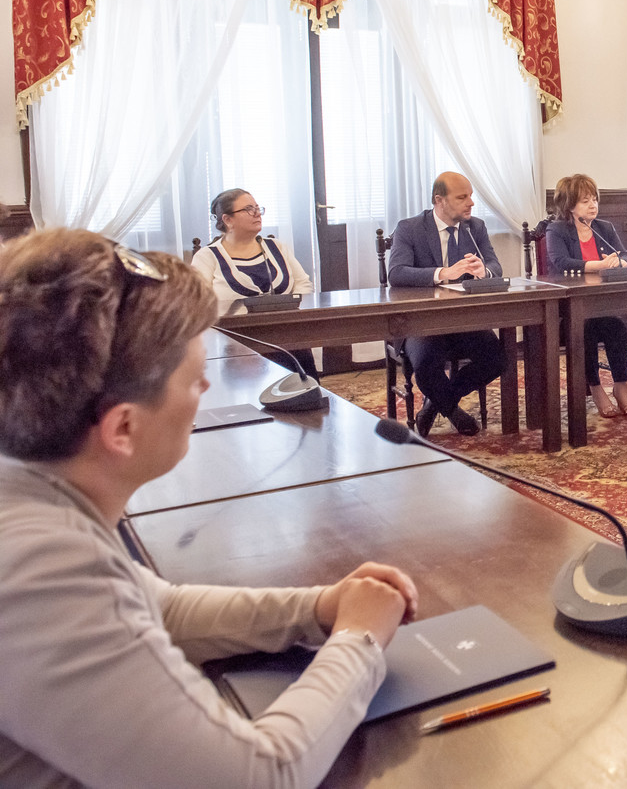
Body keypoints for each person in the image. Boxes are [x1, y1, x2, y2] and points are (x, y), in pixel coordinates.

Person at [0, 228, 417, 789]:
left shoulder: (28, 493)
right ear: (123, 428)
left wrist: (319, 607)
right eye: (193, 379)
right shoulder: (45, 571)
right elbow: (260, 776)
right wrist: (359, 641)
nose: (204, 385)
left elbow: (161, 609)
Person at [388, 172, 504, 435]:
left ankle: (435, 405)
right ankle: (452, 411)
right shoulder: (409, 228)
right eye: (462, 197)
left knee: (496, 358)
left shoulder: (475, 228)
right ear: (439, 200)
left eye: (471, 196)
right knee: (426, 364)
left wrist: (484, 271)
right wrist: (443, 273)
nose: (471, 203)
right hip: (421, 322)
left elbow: (495, 266)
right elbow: (396, 273)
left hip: (464, 320)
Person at [190, 187, 318, 377]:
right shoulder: (207, 256)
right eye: (248, 209)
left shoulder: (276, 247)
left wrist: (291, 315)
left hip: (287, 333)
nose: (257, 213)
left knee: (303, 385)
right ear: (228, 219)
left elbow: (303, 284)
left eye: (258, 208)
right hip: (236, 341)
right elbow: (197, 303)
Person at [548, 174, 627, 418]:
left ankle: (621, 387)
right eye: (585, 201)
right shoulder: (557, 230)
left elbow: (626, 256)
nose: (593, 205)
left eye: (595, 200)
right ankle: (595, 388)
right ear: (570, 205)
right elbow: (561, 262)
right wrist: (600, 265)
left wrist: (619, 262)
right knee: (585, 329)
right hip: (569, 310)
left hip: (601, 305)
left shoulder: (604, 227)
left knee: (617, 327)